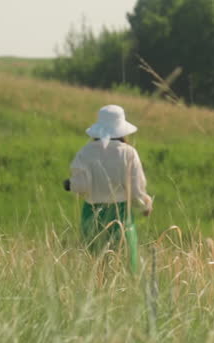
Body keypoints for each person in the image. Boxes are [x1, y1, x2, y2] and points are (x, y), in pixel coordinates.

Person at [65, 104, 153, 271]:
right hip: (120, 214)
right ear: (122, 130)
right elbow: (135, 189)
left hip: (91, 212)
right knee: (123, 262)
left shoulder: (86, 152)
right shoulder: (128, 153)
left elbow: (80, 185)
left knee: (94, 263)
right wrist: (144, 205)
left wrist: (70, 184)